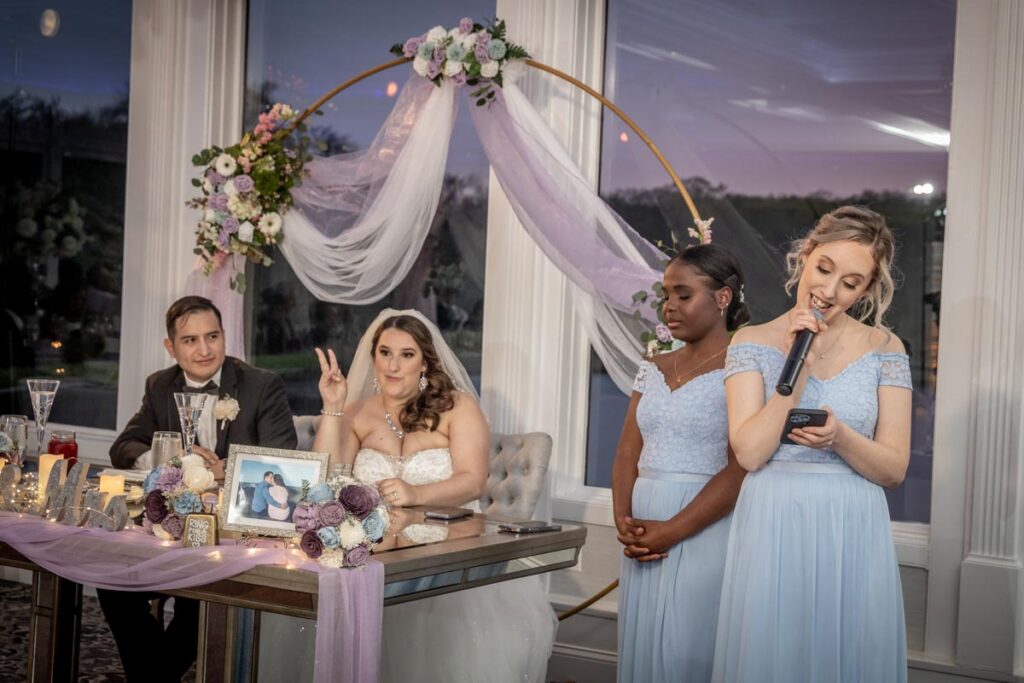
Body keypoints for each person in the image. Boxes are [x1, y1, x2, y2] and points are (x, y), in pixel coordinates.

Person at [712, 206, 912, 682]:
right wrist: (797, 360)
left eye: (850, 282)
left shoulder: (887, 349)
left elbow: (894, 469)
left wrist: (841, 437)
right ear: (806, 255)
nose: (829, 290)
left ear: (864, 290)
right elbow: (751, 452)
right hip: (774, 521)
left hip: (852, 526)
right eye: (824, 269)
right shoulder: (750, 341)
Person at [312, 309, 557, 683]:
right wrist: (333, 406)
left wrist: (415, 492)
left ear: (424, 361)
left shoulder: (458, 407)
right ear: (373, 356)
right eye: (385, 352)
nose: (393, 365)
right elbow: (327, 477)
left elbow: (472, 481)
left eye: (406, 355)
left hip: (447, 556)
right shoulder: (358, 413)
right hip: (376, 557)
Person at [99, 295, 297, 683]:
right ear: (171, 347)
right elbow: (123, 447)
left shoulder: (261, 386)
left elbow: (282, 463)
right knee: (112, 585)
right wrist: (171, 461)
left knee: (199, 600)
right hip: (170, 534)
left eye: (213, 336)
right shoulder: (160, 386)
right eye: (190, 340)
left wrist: (229, 469)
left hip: (230, 539)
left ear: (225, 337)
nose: (205, 350)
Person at [612, 244, 749, 682]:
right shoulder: (653, 365)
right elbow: (627, 452)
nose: (669, 306)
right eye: (665, 295)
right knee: (645, 645)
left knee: (690, 646)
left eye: (682, 295)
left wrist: (672, 530)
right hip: (642, 525)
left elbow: (741, 466)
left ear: (722, 298)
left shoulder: (744, 367)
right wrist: (624, 522)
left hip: (704, 521)